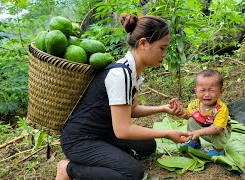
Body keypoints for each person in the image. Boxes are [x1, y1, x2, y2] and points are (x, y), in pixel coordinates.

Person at [56, 13, 192, 180]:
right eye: (162, 48)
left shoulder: (133, 72)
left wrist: (163, 109)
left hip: (103, 133)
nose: (164, 54)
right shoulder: (120, 74)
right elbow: (123, 130)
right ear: (143, 43)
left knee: (148, 146)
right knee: (132, 173)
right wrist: (165, 133)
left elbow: (131, 109)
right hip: (80, 141)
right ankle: (68, 169)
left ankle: (107, 158)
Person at [176, 69, 231, 156]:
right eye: (202, 90)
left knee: (218, 131)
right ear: (196, 91)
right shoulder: (194, 104)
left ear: (221, 92)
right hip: (203, 129)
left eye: (211, 90)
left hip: (219, 133)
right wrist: (180, 112)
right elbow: (188, 115)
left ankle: (218, 150)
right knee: (191, 120)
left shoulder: (221, 109)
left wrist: (200, 132)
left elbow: (217, 128)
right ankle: (194, 141)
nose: (206, 94)